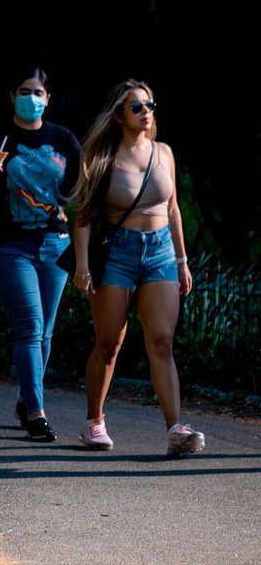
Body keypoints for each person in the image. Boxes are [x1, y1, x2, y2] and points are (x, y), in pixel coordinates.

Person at [69, 79, 204, 457]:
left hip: (160, 251)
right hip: (117, 252)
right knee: (109, 344)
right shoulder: (102, 157)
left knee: (161, 340)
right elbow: (82, 215)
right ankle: (94, 421)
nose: (147, 111)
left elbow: (173, 208)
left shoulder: (164, 152)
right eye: (137, 106)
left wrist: (181, 261)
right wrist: (82, 266)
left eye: (150, 105)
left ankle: (176, 430)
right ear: (118, 114)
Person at [0, 68, 82, 443]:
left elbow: (76, 192)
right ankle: (37, 414)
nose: (31, 97)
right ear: (12, 96)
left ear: (48, 98)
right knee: (30, 326)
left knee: (45, 331)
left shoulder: (64, 139)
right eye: (24, 91)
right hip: (8, 245)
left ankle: (26, 397)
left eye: (37, 91)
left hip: (55, 243)